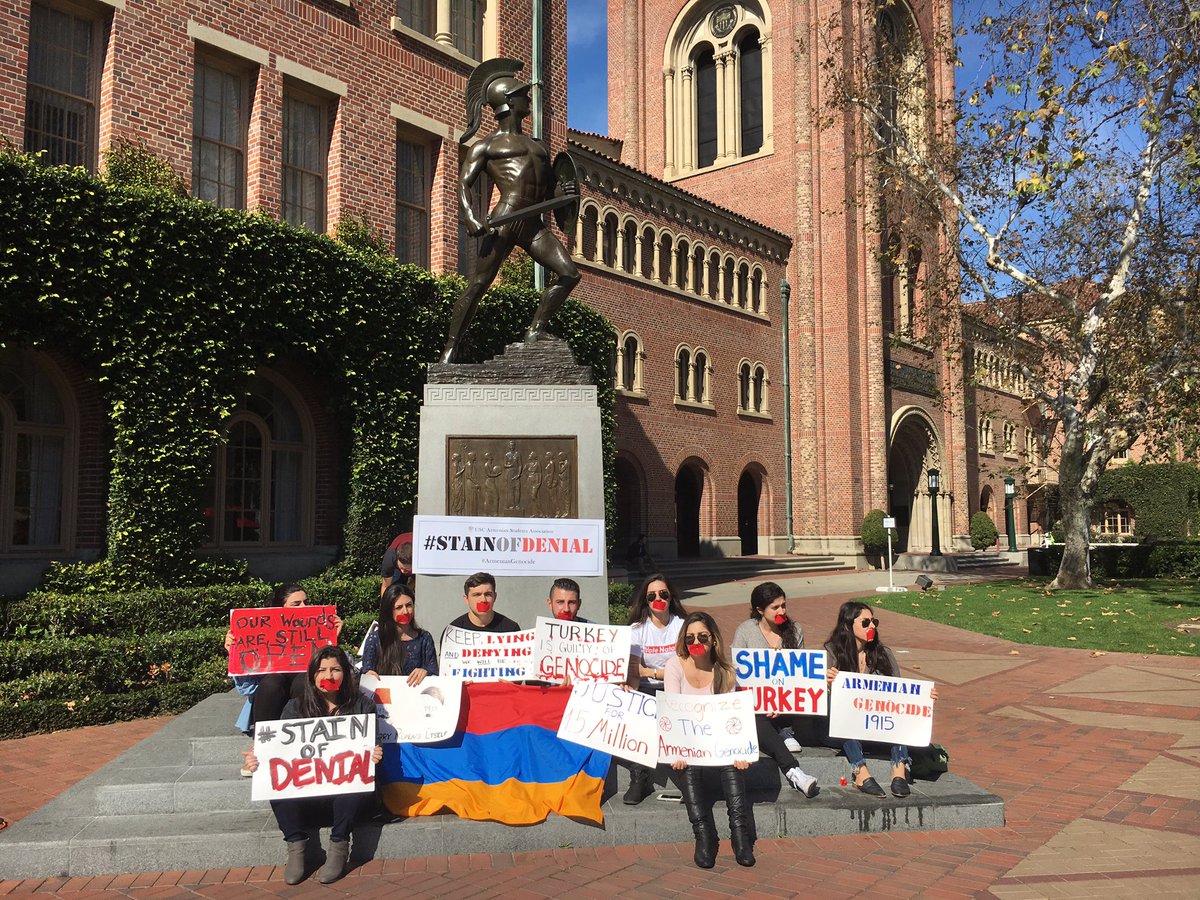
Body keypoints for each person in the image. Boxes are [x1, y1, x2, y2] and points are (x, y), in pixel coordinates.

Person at [440, 58, 581, 363]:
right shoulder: (486, 146)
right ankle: (451, 347)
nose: (528, 98)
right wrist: (471, 216)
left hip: (533, 223)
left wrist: (565, 193)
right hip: (506, 217)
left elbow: (550, 190)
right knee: (479, 283)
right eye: (522, 94)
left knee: (569, 274)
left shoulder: (540, 146)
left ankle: (536, 330)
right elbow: (464, 184)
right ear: (508, 102)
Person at [242, 646, 383, 885]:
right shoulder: (294, 708)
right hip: (307, 798)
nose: (329, 676)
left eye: (335, 669)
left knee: (354, 778)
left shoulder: (363, 706)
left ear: (345, 673)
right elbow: (279, 753)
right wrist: (259, 760)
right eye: (322, 670)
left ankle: (339, 847)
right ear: (312, 676)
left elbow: (372, 747)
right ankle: (296, 846)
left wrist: (375, 754)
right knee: (275, 781)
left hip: (347, 802)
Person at [665, 611, 755, 869]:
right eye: (690, 637)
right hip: (687, 742)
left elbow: (730, 720)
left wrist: (739, 751)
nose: (696, 642)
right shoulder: (674, 665)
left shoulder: (726, 672)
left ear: (713, 639)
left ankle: (740, 833)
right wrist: (677, 751)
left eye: (702, 637)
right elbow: (672, 710)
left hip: (717, 743)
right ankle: (704, 834)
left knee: (733, 765)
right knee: (687, 767)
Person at [823, 601, 938, 798]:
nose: (872, 626)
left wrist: (924, 699)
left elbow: (900, 696)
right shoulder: (831, 653)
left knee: (898, 715)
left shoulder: (883, 654)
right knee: (845, 718)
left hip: (878, 728)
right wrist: (826, 684)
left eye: (874, 622)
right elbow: (818, 698)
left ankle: (899, 771)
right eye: (865, 622)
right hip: (844, 731)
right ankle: (861, 773)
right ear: (847, 626)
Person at [730, 583, 819, 797]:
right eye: (775, 607)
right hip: (758, 705)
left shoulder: (795, 630)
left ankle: (783, 729)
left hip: (787, 703)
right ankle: (794, 771)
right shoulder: (746, 631)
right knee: (756, 718)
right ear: (760, 610)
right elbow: (737, 673)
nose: (782, 611)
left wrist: (780, 702)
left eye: (783, 605)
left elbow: (800, 676)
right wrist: (766, 701)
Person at [225, 584, 344, 741]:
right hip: (270, 701)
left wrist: (332, 641)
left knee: (303, 681)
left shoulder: (320, 631)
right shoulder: (261, 635)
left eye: (306, 602)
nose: (304, 607)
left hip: (309, 703)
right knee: (272, 682)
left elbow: (337, 679)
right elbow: (247, 689)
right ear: (279, 609)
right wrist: (236, 652)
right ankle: (264, 743)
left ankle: (307, 740)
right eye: (296, 604)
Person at [623, 572, 687, 804]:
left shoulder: (683, 626)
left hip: (676, 688)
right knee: (640, 714)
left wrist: (652, 672)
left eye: (663, 594)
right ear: (645, 600)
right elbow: (635, 672)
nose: (658, 599)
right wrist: (631, 691)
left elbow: (685, 668)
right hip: (646, 690)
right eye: (652, 596)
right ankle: (638, 777)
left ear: (671, 597)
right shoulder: (637, 629)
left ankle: (688, 780)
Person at [361, 582, 437, 683]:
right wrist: (368, 675)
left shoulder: (424, 638)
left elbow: (434, 672)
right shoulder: (375, 638)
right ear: (388, 611)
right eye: (398, 607)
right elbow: (366, 670)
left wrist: (425, 672)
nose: (405, 611)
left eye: (409, 605)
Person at [443, 572, 521, 637]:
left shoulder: (511, 630)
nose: (483, 600)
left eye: (488, 594)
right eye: (477, 595)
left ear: (495, 597)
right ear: (466, 599)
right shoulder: (452, 632)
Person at [379, 532, 413, 596]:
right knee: (394, 589)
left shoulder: (421, 560)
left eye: (406, 569)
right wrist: (385, 601)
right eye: (401, 568)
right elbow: (385, 586)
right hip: (400, 542)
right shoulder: (389, 560)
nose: (403, 571)